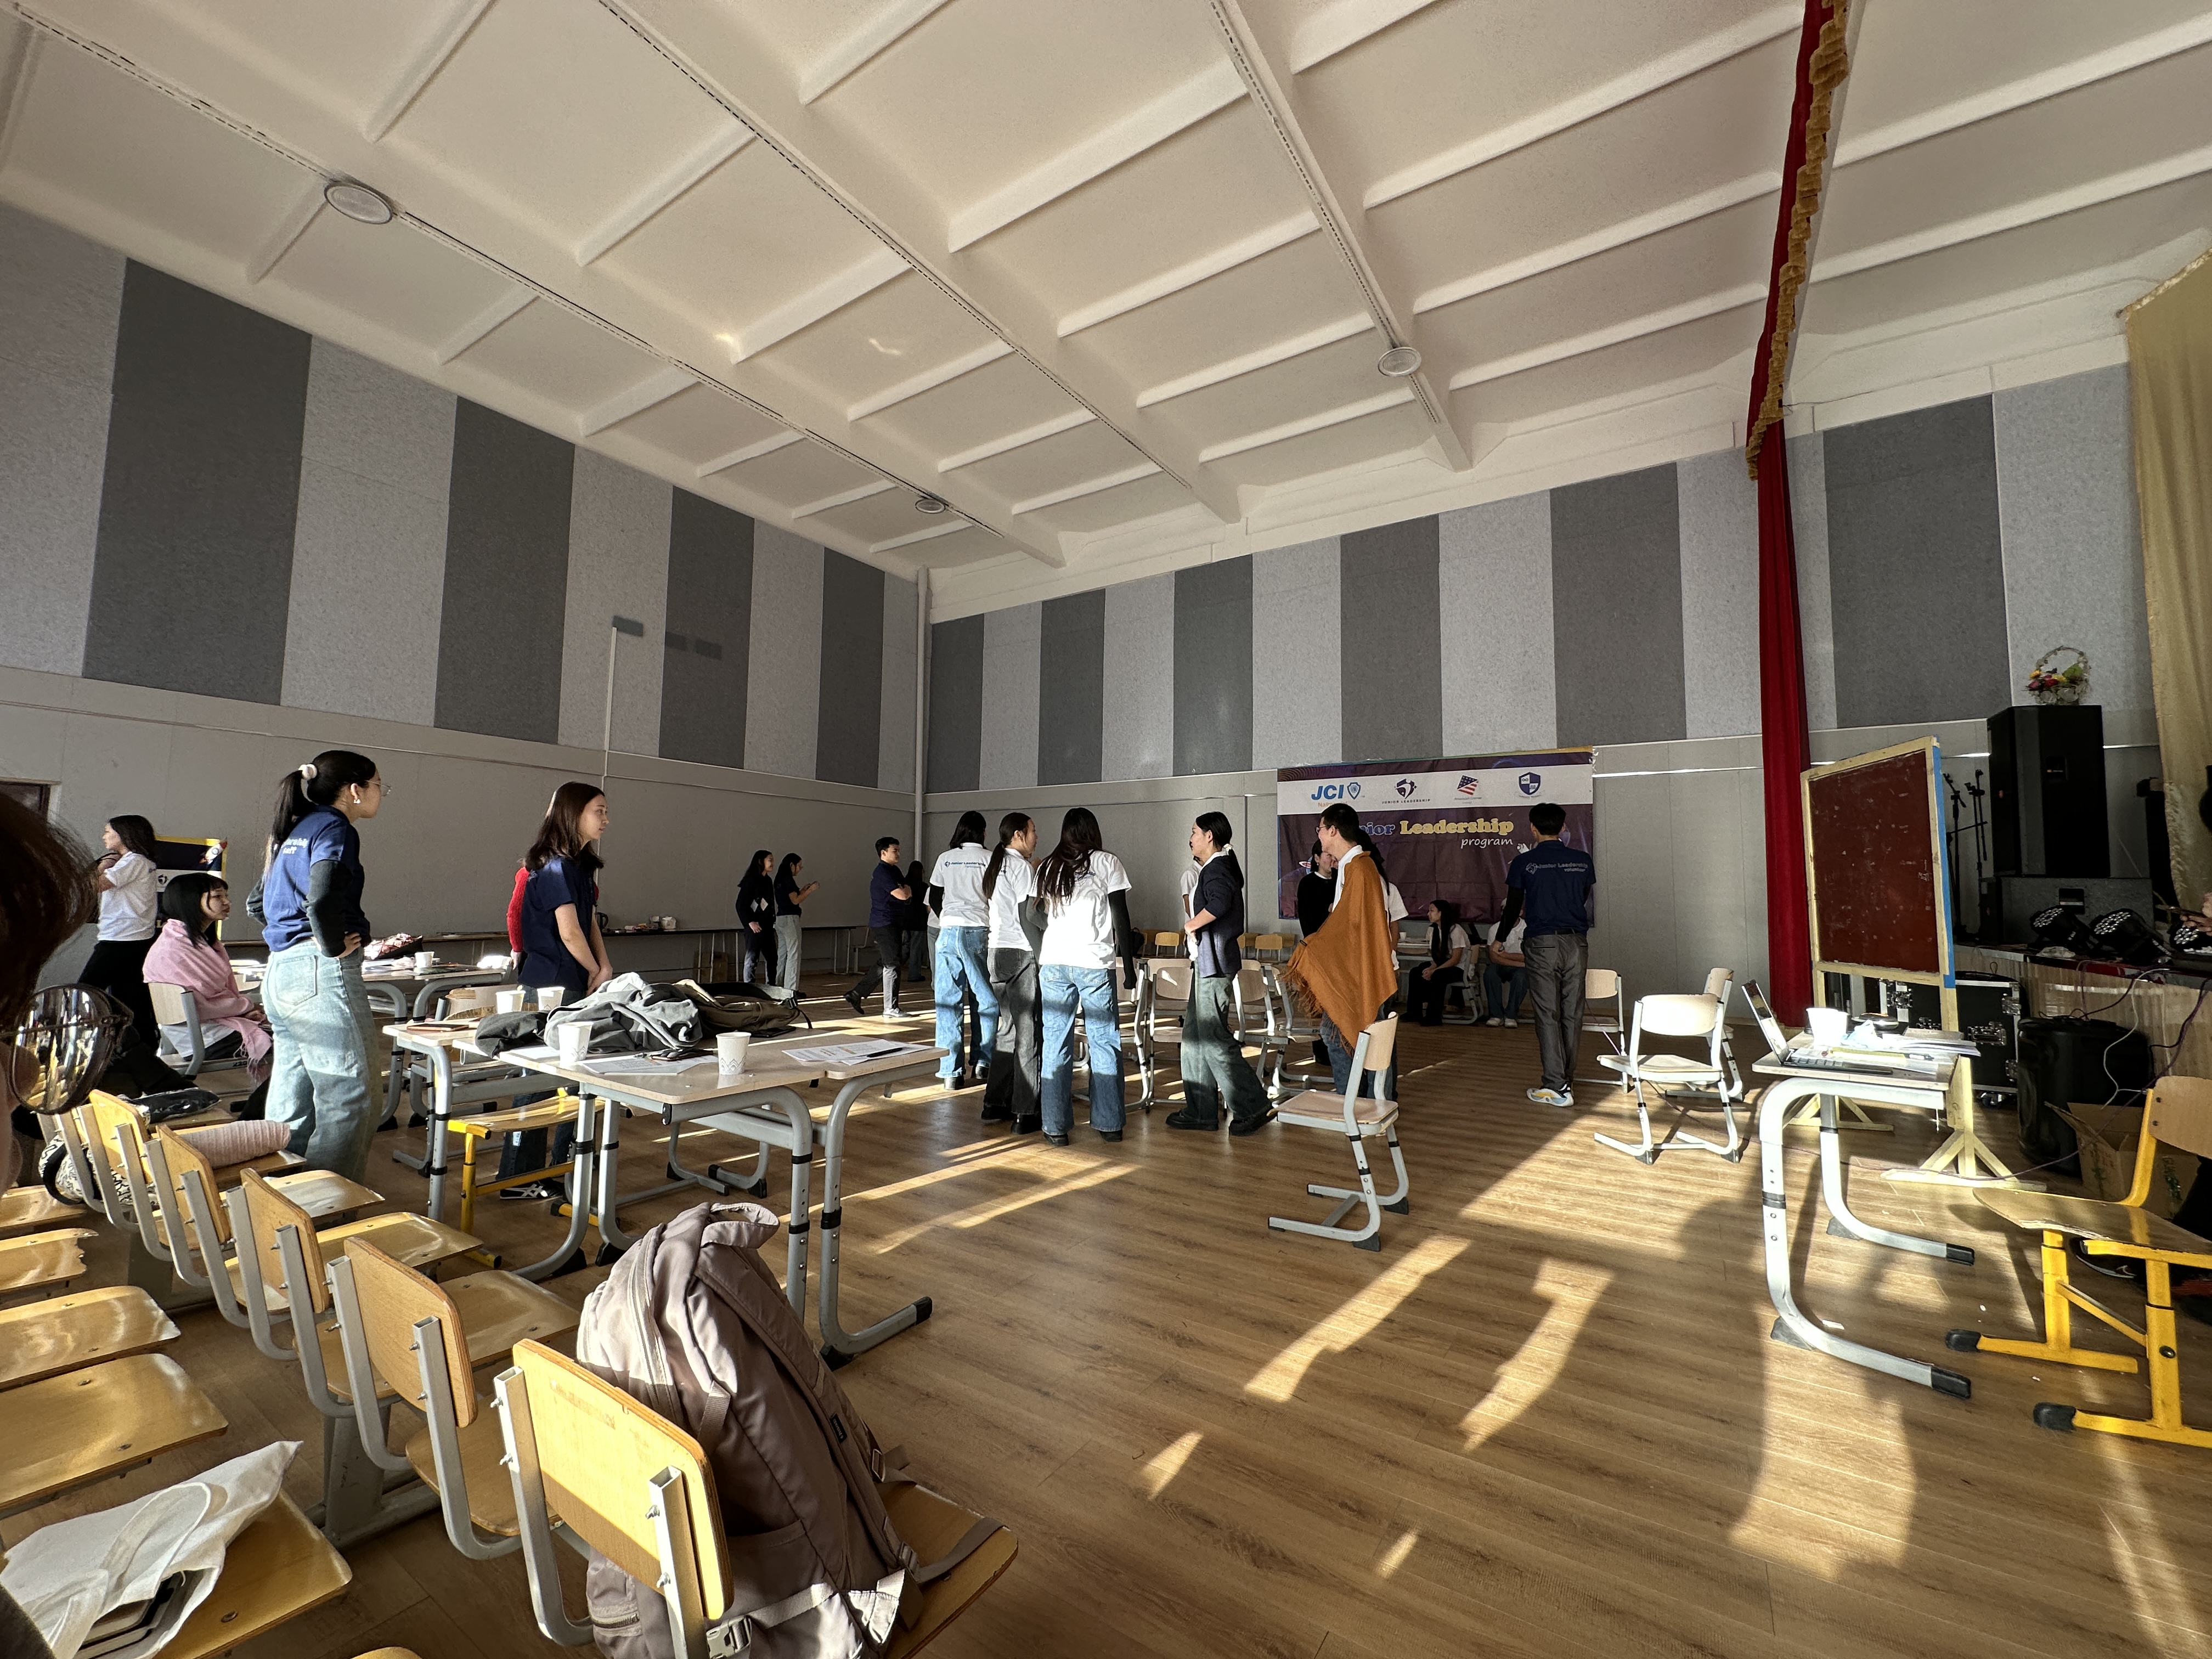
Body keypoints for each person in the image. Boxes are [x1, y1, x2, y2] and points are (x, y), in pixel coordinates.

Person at [254, 750, 385, 1181]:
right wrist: (329, 944)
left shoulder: (292, 828)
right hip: (318, 972)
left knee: (292, 1094)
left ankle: (278, 1196)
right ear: (354, 791)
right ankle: (329, 1206)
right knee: (351, 1095)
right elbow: (323, 896)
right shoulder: (335, 828)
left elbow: (257, 902)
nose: (380, 794)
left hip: (281, 970)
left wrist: (293, 934)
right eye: (378, 785)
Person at [503, 782, 612, 1195]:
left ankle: (561, 1170)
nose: (606, 820)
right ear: (573, 813)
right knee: (536, 1082)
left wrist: (604, 966)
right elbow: (568, 932)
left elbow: (588, 923)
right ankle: (518, 1177)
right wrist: (594, 968)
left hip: (575, 982)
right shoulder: (553, 866)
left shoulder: (579, 867)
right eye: (599, 811)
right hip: (550, 985)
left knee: (574, 1080)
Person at [1033, 807, 1136, 1146]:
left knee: (1055, 1042)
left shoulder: (1048, 865)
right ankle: (1109, 1124)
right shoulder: (1107, 863)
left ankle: (1055, 1127)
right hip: (1094, 963)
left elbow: (1035, 914)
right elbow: (1121, 917)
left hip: (1054, 963)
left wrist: (1047, 946)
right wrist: (1129, 967)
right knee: (1103, 1040)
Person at [1168, 812, 1275, 1135]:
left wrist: (1190, 925)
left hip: (1213, 965)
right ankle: (1200, 1110)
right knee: (1194, 1037)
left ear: (1210, 836)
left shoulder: (1216, 869)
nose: (1190, 838)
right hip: (1208, 963)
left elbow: (1219, 904)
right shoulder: (1218, 867)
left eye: (1194, 832)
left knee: (1213, 1037)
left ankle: (1253, 1106)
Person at [1282, 803, 1397, 1099]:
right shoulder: (1352, 866)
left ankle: (1359, 1103)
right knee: (1349, 1037)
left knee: (1347, 1037)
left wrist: (1311, 948)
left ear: (1333, 830)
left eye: (1320, 829)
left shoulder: (1359, 868)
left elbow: (1352, 927)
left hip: (1356, 974)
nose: (1319, 835)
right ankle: (1363, 1101)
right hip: (1353, 971)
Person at [144, 872, 272, 1116]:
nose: (227, 902)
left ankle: (260, 1105)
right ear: (191, 901)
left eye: (226, 896)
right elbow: (199, 1006)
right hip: (206, 1037)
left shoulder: (190, 941)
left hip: (204, 1030)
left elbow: (210, 999)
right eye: (217, 896)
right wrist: (245, 1006)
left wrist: (243, 1010)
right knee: (294, 1044)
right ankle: (258, 1112)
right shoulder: (177, 949)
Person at [1500, 802, 1595, 1108]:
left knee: (1547, 1013)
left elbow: (1513, 906)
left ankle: (1556, 1086)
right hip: (1577, 943)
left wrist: (1500, 939)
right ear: (1563, 827)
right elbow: (1582, 897)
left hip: (1542, 943)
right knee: (1572, 1013)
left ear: (1533, 828)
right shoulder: (1582, 861)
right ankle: (1566, 1080)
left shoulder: (1524, 862)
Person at [927, 812, 998, 1090]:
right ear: (983, 832)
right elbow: (997, 896)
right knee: (984, 999)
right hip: (977, 930)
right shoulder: (990, 858)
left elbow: (935, 896)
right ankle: (983, 1062)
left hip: (947, 931)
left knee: (948, 1002)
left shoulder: (945, 858)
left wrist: (948, 916)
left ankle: (951, 1073)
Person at [980, 812, 1041, 1132]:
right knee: (1028, 1033)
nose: (1036, 837)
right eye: (1033, 831)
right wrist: (1041, 955)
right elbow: (1028, 915)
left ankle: (995, 1103)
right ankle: (1025, 1112)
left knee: (1006, 1030)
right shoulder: (1021, 868)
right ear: (1018, 835)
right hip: (1020, 951)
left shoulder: (996, 865)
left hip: (996, 951)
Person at [82, 814, 161, 1049]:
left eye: (108, 831)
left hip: (121, 939)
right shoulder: (138, 862)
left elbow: (97, 885)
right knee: (129, 998)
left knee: (86, 991)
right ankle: (139, 1048)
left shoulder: (133, 860)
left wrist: (103, 865)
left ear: (124, 835)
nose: (104, 836)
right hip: (131, 938)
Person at [844, 838, 912, 1015]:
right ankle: (890, 1007)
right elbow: (904, 894)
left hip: (893, 922)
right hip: (884, 923)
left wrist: (906, 891)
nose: (898, 853)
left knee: (888, 960)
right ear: (884, 853)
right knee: (892, 963)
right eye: (895, 850)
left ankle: (856, 993)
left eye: (898, 850)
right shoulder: (883, 872)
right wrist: (906, 891)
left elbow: (907, 891)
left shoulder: (894, 870)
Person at [1407, 899, 1470, 1027]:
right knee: (1416, 972)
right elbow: (1437, 956)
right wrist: (1432, 967)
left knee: (1438, 976)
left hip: (1460, 968)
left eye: (1432, 911)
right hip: (1442, 965)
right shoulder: (1434, 930)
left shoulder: (1456, 930)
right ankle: (1414, 1013)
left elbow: (1455, 959)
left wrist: (1435, 971)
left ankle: (1433, 1017)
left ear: (1441, 913)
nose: (1428, 914)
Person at [772, 853, 817, 997]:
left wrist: (802, 890)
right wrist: (810, 891)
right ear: (792, 865)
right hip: (790, 919)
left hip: (780, 919)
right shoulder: (788, 879)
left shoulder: (779, 879)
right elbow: (795, 900)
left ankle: (778, 986)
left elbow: (789, 897)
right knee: (794, 954)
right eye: (799, 866)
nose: (800, 869)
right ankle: (791, 991)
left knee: (783, 954)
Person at [736, 849, 776, 988]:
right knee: (752, 958)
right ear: (760, 861)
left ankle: (771, 987)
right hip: (754, 927)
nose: (772, 863)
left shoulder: (768, 881)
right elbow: (741, 904)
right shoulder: (750, 880)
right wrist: (750, 922)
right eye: (770, 860)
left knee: (772, 958)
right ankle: (749, 988)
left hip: (768, 926)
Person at [1481, 915, 1528, 1026]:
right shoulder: (1495, 928)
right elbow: (1494, 958)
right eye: (1504, 910)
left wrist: (1505, 955)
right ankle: (1496, 1015)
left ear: (1520, 912)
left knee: (1522, 977)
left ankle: (1511, 1015)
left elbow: (1529, 957)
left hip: (1520, 968)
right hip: (1505, 965)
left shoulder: (1528, 928)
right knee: (1490, 973)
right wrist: (1520, 963)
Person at [1295, 840, 1336, 938]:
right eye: (1329, 855)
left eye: (1335, 855)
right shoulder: (1307, 883)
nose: (1334, 859)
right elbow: (1306, 919)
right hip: (1318, 939)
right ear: (1317, 858)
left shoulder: (1341, 879)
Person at [900, 860, 930, 985]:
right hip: (919, 922)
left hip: (905, 921)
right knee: (916, 949)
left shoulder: (904, 885)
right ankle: (914, 974)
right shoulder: (923, 887)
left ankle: (891, 968)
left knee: (906, 947)